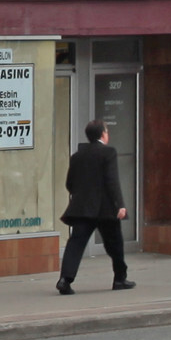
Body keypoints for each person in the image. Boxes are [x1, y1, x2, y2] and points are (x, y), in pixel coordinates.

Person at [57, 119, 133, 295]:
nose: (108, 134)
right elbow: (112, 181)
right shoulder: (108, 153)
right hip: (106, 209)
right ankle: (120, 279)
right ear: (103, 134)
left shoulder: (77, 156)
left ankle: (65, 280)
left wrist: (81, 195)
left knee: (75, 244)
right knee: (115, 244)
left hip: (82, 208)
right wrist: (120, 205)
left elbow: (70, 183)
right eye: (107, 131)